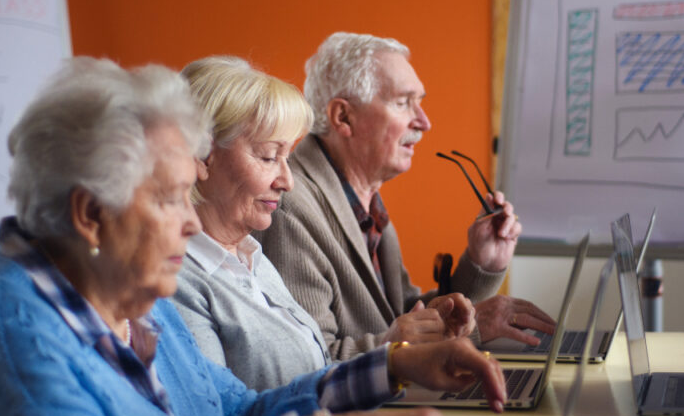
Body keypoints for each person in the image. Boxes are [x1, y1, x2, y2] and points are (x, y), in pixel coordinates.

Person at [0, 57, 506, 416]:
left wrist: (394, 367)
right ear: (90, 215)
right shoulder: (6, 328)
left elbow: (237, 413)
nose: (189, 221)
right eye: (167, 199)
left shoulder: (127, 304)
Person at [173, 56, 475, 390]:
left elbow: (316, 368)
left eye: (287, 157)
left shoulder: (250, 257)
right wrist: (390, 358)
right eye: (269, 156)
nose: (287, 181)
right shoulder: (177, 283)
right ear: (202, 157)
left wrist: (399, 355)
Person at [254, 32, 556, 361]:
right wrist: (470, 328)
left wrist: (481, 264)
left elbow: (404, 318)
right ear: (343, 117)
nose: (424, 122)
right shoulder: (290, 209)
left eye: (420, 102)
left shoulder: (366, 202)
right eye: (402, 102)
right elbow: (312, 363)